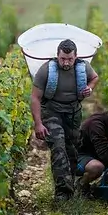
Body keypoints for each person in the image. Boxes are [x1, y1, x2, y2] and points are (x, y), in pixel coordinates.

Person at [31, 39, 99, 202]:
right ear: (57, 56)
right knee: (58, 147)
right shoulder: (46, 70)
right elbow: (35, 97)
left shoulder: (83, 67)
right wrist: (38, 123)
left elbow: (95, 77)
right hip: (52, 112)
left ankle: (72, 186)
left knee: (72, 149)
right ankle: (62, 193)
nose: (66, 62)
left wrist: (90, 87)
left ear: (76, 57)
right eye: (62, 59)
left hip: (73, 112)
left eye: (70, 59)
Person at [75, 111, 108, 197]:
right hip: (78, 156)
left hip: (91, 153)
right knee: (97, 167)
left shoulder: (105, 120)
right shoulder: (96, 125)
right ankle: (80, 186)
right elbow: (103, 154)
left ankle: (96, 187)